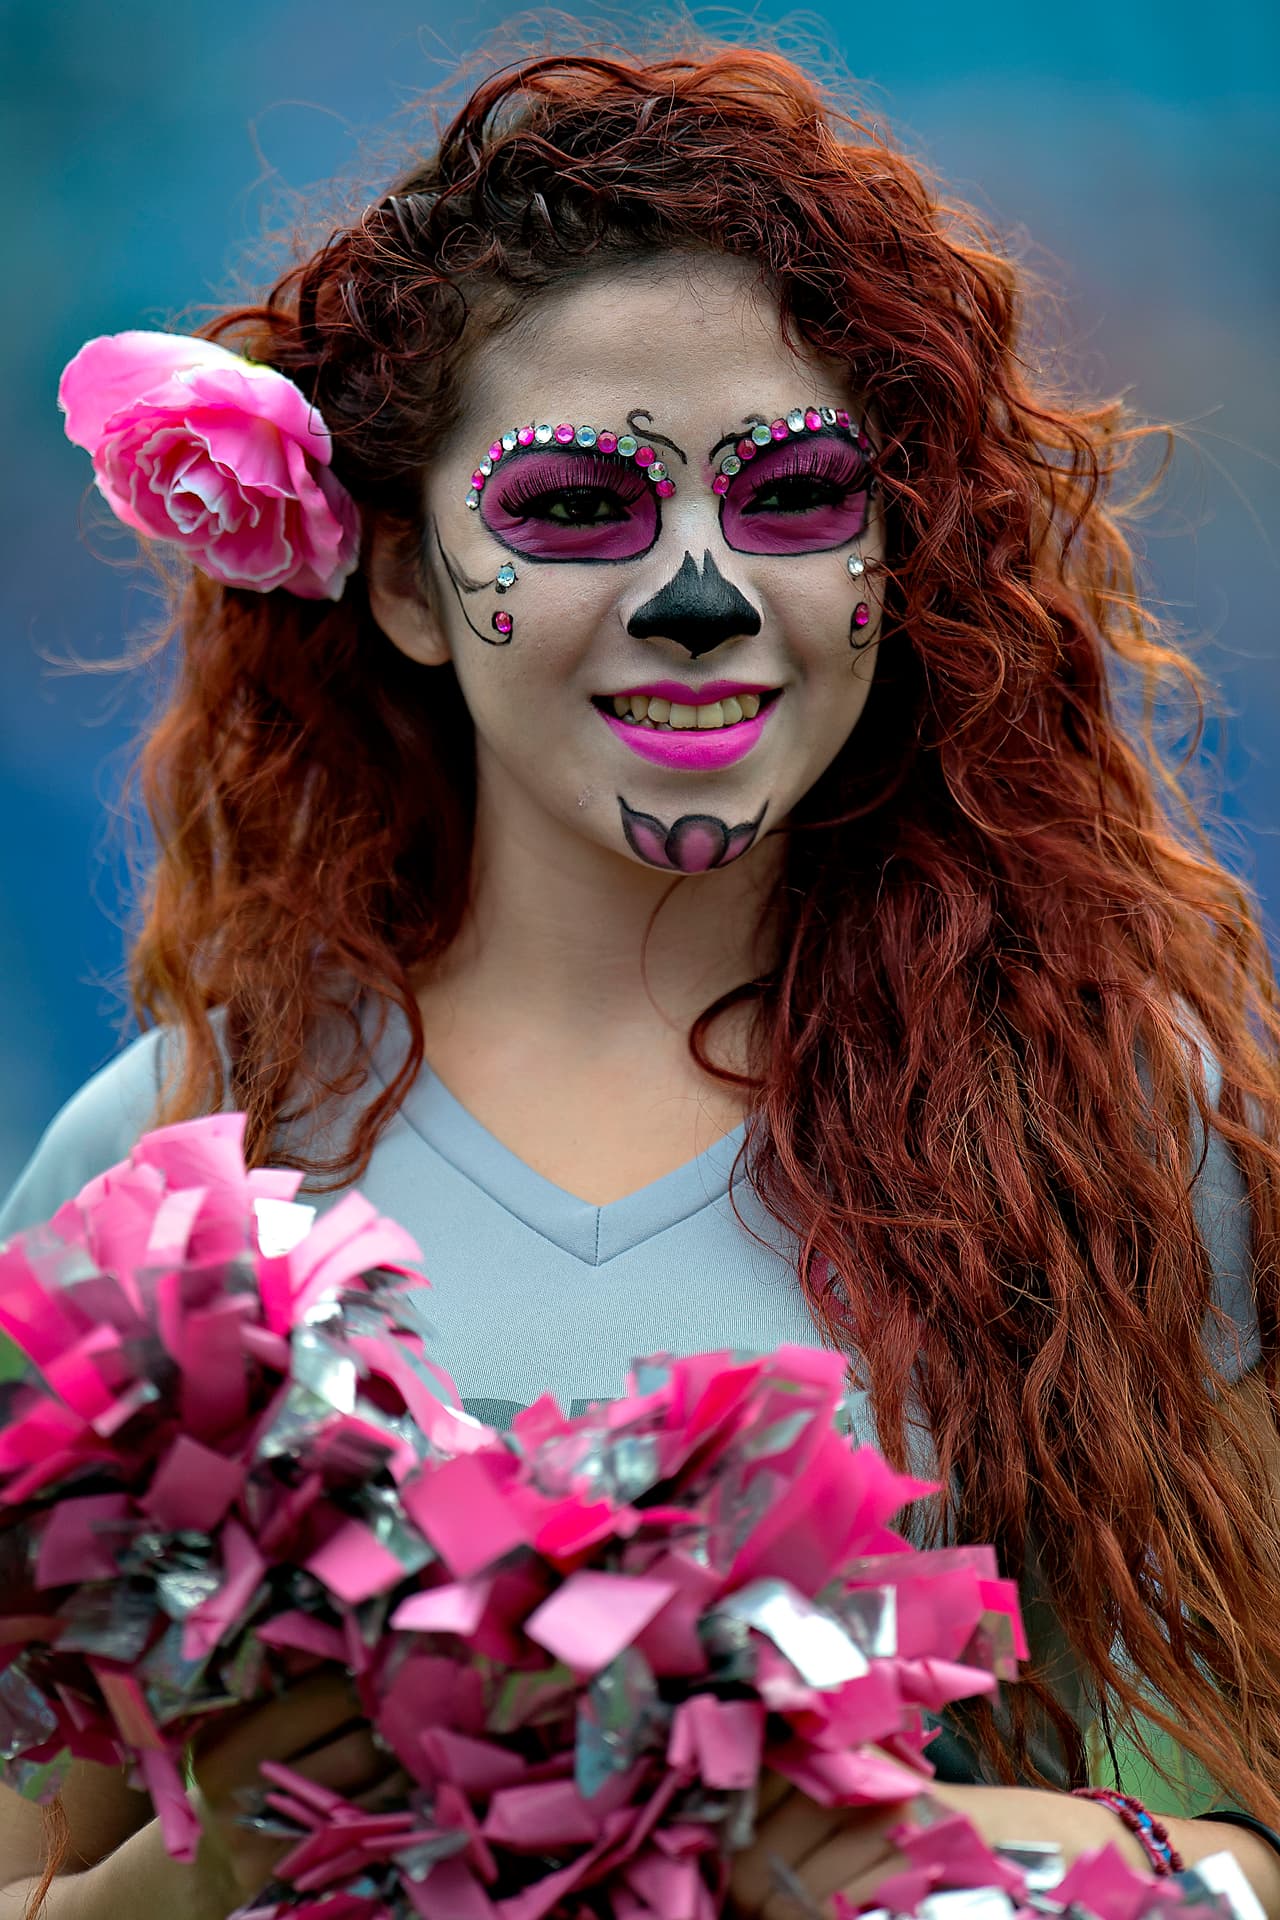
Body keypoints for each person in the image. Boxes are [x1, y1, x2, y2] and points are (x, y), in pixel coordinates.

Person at [2, 37, 1279, 1920]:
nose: (701, 592)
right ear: (411, 583)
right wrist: (230, 1873)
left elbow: (1249, 1837)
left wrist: (946, 1854)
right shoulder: (173, 1163)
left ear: (887, 558)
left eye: (791, 494)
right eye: (579, 505)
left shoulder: (1113, 1131)